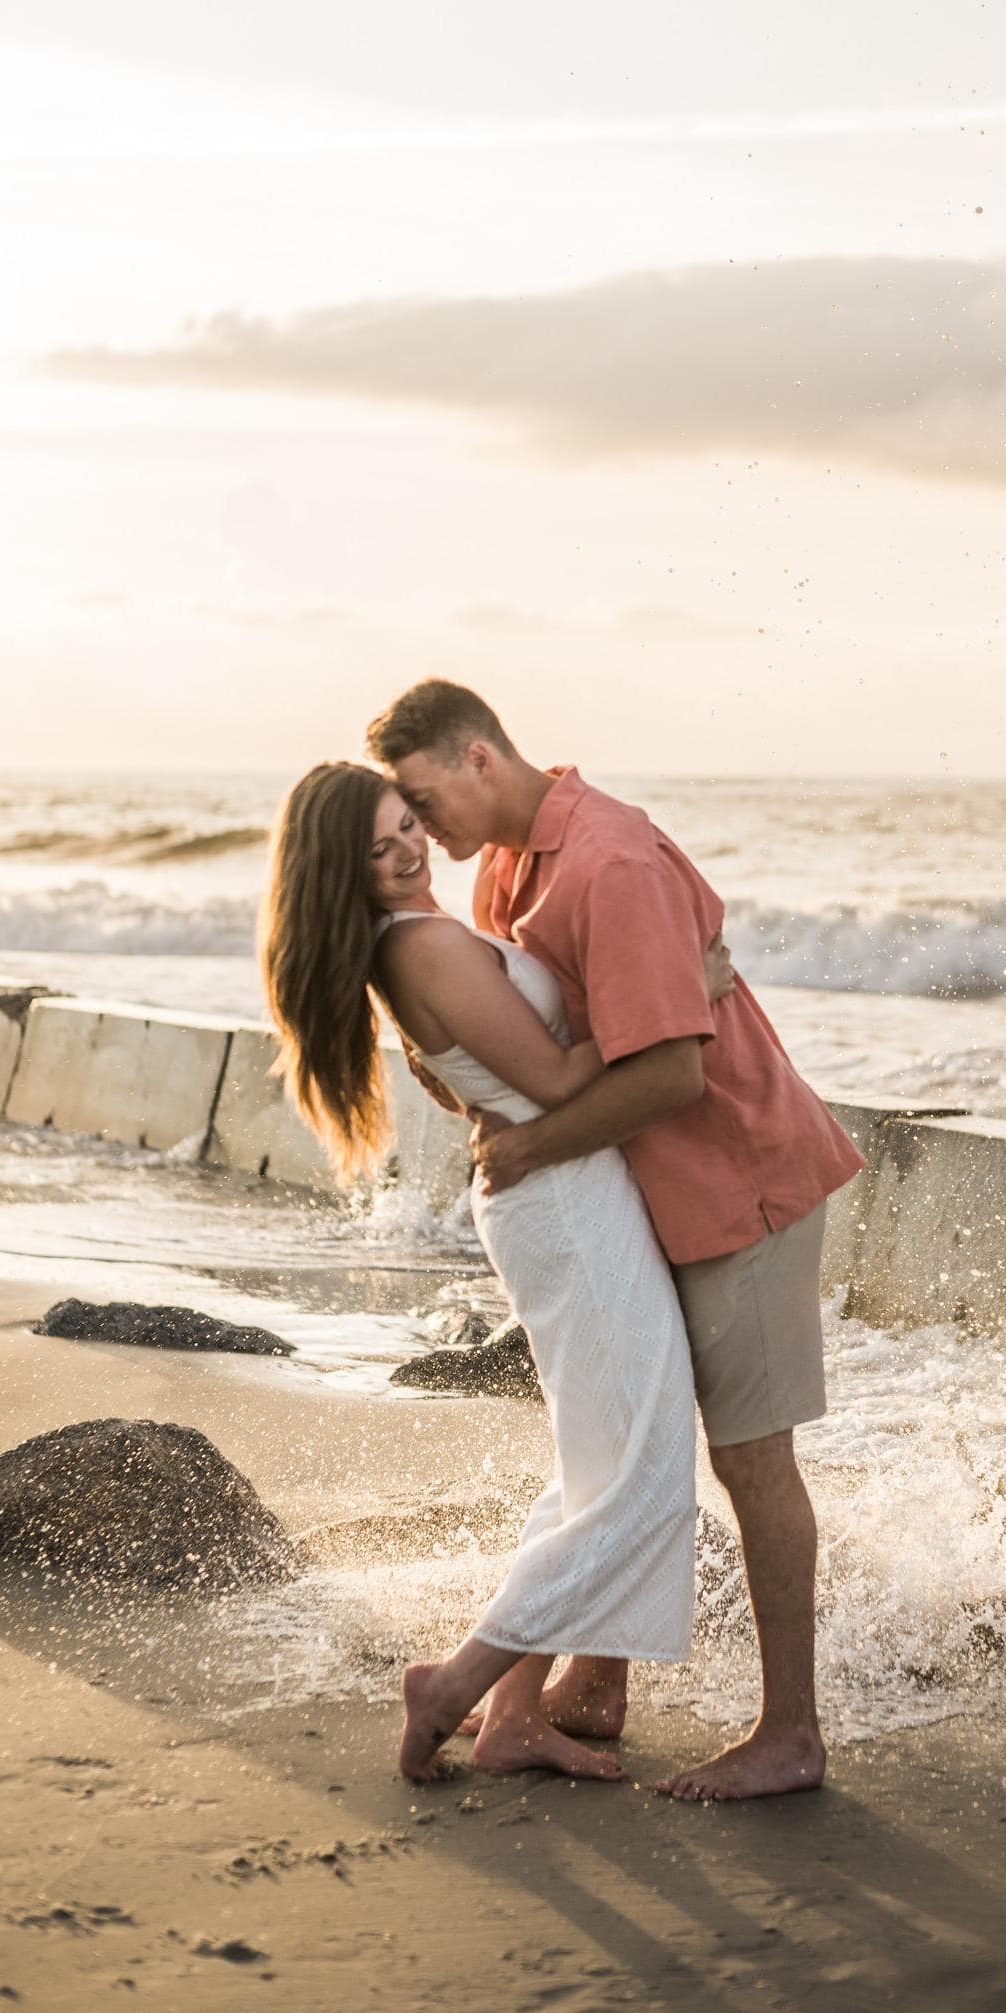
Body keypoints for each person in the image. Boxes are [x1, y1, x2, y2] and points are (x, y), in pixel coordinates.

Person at [366, 680, 868, 1802]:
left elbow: (675, 1070)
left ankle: (790, 1731)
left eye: (417, 797)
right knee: (620, 1443)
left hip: (738, 1180)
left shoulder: (610, 861)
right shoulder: (502, 866)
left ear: (479, 757)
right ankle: (592, 1687)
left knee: (748, 1456)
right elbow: (531, 1041)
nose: (414, 827)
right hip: (643, 1187)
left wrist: (532, 1147)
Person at [260, 760, 735, 1785]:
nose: (406, 850)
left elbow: (475, 1078)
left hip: (555, 1187)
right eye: (377, 847)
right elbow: (563, 1074)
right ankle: (455, 1684)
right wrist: (675, 993)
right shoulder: (422, 945)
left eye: (406, 827)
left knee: (598, 1460)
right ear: (338, 871)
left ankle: (515, 1712)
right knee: (646, 1475)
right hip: (565, 1202)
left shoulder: (411, 946)